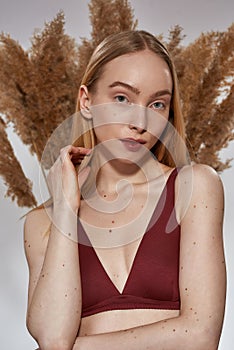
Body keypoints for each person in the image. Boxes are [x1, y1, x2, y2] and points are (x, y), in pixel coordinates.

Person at [24, 30, 226, 350]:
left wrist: (77, 346)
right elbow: (51, 335)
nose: (140, 121)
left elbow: (200, 335)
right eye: (122, 98)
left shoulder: (195, 187)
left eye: (157, 104)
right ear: (86, 101)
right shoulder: (42, 224)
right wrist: (65, 208)